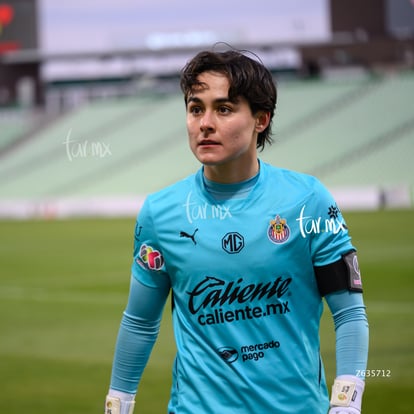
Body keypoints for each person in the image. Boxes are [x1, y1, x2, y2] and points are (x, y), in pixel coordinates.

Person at [105, 48, 369, 414]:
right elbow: (139, 322)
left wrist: (346, 402)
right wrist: (117, 405)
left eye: (223, 109)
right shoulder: (160, 214)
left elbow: (350, 314)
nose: (205, 123)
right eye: (196, 108)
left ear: (261, 119)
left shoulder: (308, 201)